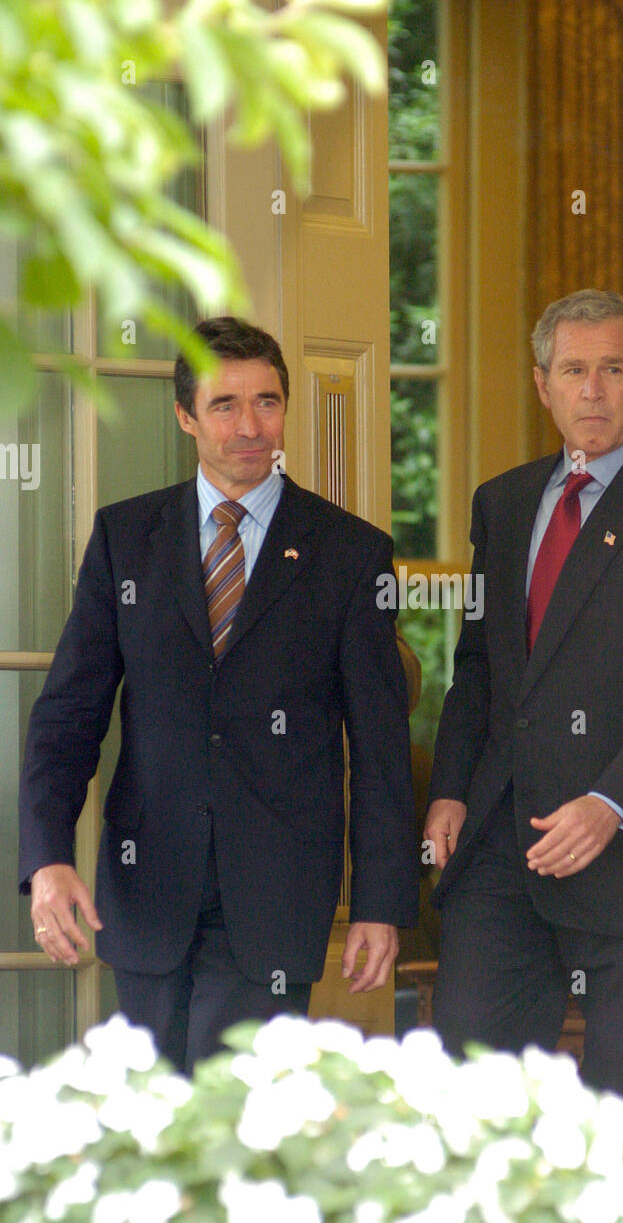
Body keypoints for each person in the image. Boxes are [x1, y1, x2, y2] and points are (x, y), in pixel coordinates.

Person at [19, 317, 417, 1073]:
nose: (249, 426)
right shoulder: (125, 538)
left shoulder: (349, 552)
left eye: (266, 402)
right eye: (225, 405)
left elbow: (378, 747)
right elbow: (70, 714)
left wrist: (381, 901)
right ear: (185, 416)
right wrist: (46, 857)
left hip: (275, 898)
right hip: (145, 891)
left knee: (234, 1127)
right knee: (150, 1121)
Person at [423, 289, 623, 1134]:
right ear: (541, 384)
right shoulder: (504, 502)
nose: (592, 390)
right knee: (471, 1115)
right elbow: (478, 666)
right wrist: (449, 790)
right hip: (501, 854)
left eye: (613, 370)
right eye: (573, 370)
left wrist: (610, 803)